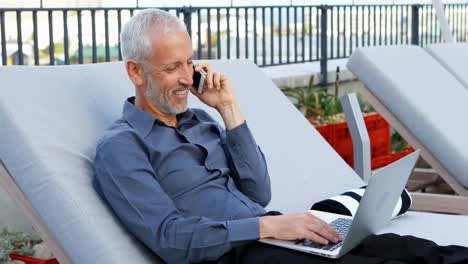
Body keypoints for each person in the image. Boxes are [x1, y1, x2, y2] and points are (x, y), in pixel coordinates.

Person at [93, 9, 468, 264]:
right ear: (136, 72)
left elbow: (258, 192)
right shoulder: (122, 148)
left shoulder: (201, 122)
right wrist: (269, 226)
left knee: (418, 250)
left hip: (272, 231)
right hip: (233, 254)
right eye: (172, 67)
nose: (186, 76)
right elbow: (169, 239)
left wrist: (228, 110)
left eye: (189, 62)